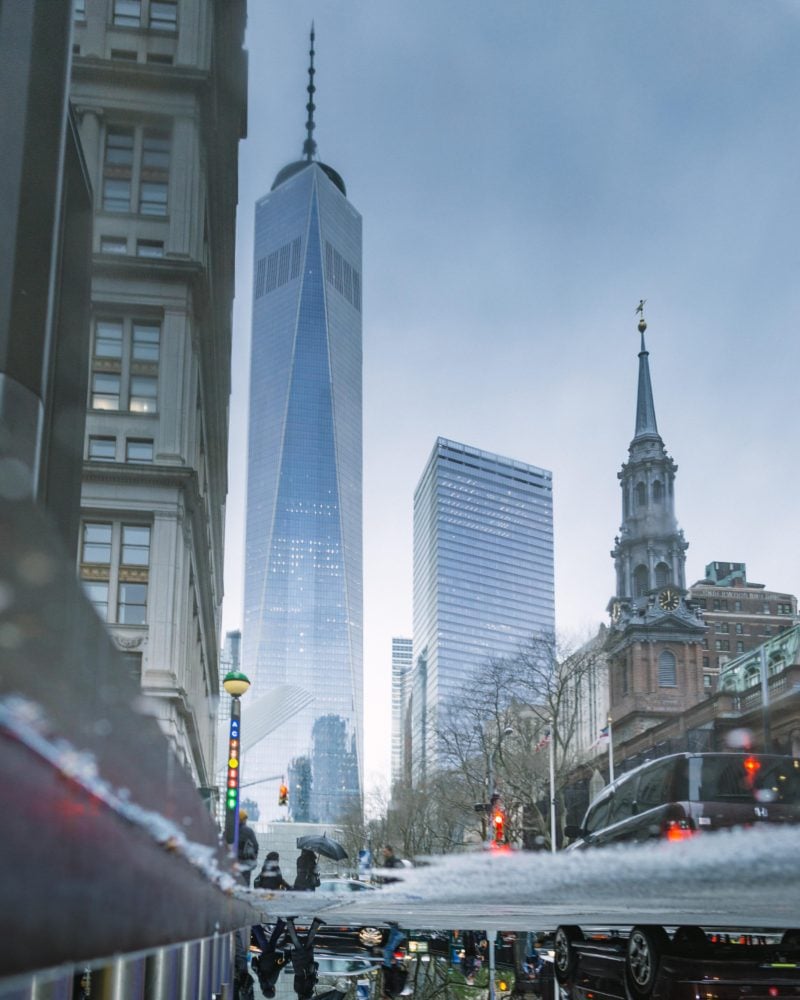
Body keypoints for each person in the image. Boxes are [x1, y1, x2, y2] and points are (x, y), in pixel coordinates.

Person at [285, 916, 324, 999]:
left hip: (305, 964)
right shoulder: (297, 990)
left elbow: (309, 980)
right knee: (306, 942)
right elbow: (299, 978)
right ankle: (316, 923)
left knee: (299, 942)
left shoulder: (306, 991)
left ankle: (289, 922)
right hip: (298, 965)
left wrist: (314, 982)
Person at [251, 919, 287, 999]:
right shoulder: (262, 983)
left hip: (269, 957)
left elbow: (277, 969)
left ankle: (254, 925)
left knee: (263, 941)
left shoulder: (271, 982)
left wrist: (286, 961)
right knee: (273, 940)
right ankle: (281, 923)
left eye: (274, 991)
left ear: (272, 990)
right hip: (264, 958)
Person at [381, 923, 408, 999]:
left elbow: (387, 978)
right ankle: (399, 935)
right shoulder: (394, 992)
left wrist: (382, 966)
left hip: (388, 967)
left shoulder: (389, 992)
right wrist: (394, 965)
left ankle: (395, 930)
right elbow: (396, 978)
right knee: (388, 949)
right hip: (392, 967)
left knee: (389, 948)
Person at [237, 809, 259, 887]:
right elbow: (255, 846)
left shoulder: (230, 830)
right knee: (245, 883)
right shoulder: (248, 831)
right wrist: (254, 856)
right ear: (243, 820)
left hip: (233, 863)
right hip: (245, 862)